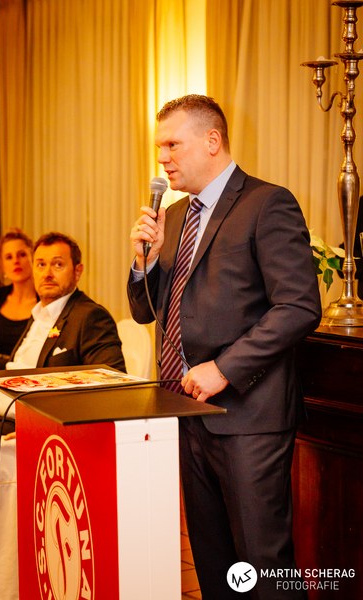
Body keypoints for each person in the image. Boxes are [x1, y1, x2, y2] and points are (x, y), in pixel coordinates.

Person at [127, 95, 321, 599]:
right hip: (187, 412)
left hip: (248, 416)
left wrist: (225, 368)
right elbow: (146, 311)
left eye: (172, 145)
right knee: (215, 565)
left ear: (212, 141)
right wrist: (144, 262)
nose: (162, 158)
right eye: (159, 147)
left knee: (262, 566)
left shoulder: (267, 203)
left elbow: (299, 307)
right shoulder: (173, 215)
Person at [0, 231, 125, 454]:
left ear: (77, 271)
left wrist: (45, 428)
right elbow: (12, 367)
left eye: (58, 265)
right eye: (40, 265)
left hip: (25, 426)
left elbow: (114, 386)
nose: (47, 273)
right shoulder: (40, 315)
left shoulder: (89, 317)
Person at [0, 228, 37, 359]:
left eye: (22, 254)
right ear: (2, 265)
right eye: (9, 257)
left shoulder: (46, 301)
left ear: (33, 259)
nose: (15, 261)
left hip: (32, 368)